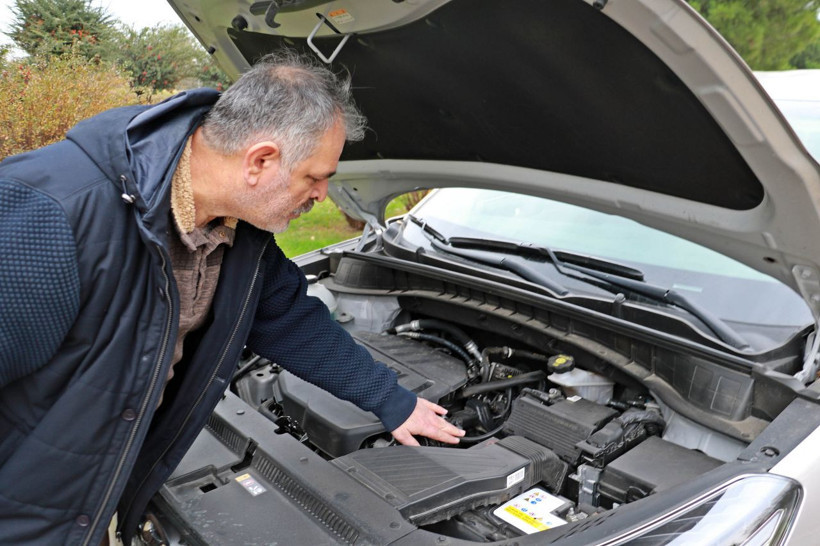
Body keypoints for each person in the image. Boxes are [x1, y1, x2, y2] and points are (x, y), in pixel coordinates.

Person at [0, 50, 464, 545]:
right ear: (260, 160)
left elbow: (287, 318)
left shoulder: (239, 233)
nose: (323, 195)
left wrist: (390, 400)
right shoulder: (51, 213)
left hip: (95, 494)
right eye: (315, 176)